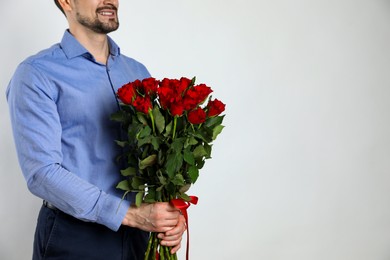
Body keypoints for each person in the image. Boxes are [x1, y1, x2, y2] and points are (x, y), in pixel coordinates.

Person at [6, 0, 186, 259]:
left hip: (139, 235)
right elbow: (41, 173)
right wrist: (131, 215)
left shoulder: (137, 72)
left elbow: (154, 158)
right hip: (75, 236)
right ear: (66, 2)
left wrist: (168, 214)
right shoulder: (36, 74)